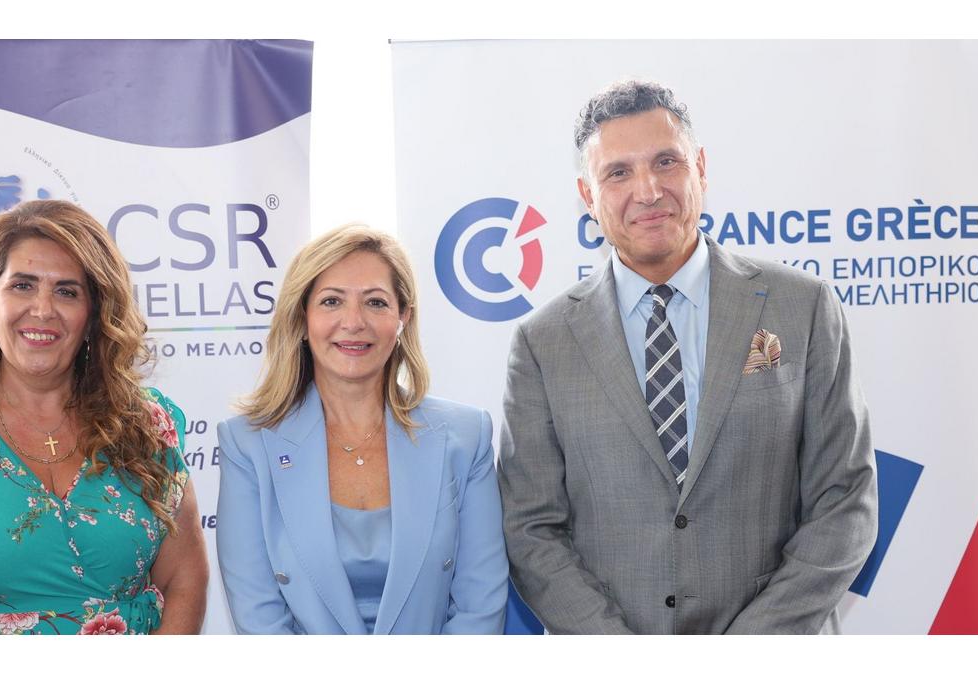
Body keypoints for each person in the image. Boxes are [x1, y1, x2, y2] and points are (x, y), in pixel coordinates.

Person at [497, 80, 878, 634]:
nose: (648, 190)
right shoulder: (542, 342)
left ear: (699, 167)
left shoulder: (804, 307)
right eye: (618, 172)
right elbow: (531, 529)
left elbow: (845, 501)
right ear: (587, 196)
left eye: (665, 162)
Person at [0, 199, 209, 634]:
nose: (43, 309)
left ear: (94, 312)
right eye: (22, 285)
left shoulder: (147, 426)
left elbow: (185, 582)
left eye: (67, 291)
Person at [216, 224, 508, 634]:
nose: (353, 322)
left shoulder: (466, 437)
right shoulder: (247, 444)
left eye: (375, 302)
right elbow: (260, 620)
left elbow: (480, 608)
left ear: (403, 317)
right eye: (331, 301)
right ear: (302, 317)